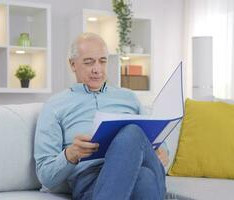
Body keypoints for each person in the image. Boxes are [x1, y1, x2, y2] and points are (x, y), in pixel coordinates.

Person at [34, 32, 169, 200]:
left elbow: (153, 139)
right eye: (89, 62)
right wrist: (71, 154)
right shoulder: (54, 106)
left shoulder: (129, 98)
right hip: (92, 181)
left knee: (133, 134)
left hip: (137, 164)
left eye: (102, 61)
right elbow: (45, 176)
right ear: (72, 64)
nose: (97, 69)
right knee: (144, 177)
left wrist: (164, 151)